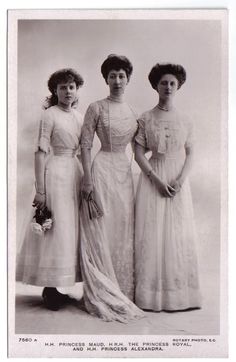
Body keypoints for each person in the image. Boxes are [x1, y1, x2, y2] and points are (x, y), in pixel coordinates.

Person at [80, 54, 144, 322]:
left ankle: (123, 288)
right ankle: (102, 288)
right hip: (102, 169)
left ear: (128, 79)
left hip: (123, 172)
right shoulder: (96, 107)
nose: (117, 80)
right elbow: (84, 144)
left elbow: (140, 147)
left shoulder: (132, 112)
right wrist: (87, 179)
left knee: (122, 226)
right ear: (105, 79)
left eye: (121, 76)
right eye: (112, 75)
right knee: (101, 226)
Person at [134, 63, 202, 312]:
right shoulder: (146, 117)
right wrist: (155, 179)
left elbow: (192, 152)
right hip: (154, 177)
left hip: (177, 179)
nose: (168, 87)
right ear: (155, 85)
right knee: (152, 231)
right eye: (163, 82)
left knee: (176, 231)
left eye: (172, 83)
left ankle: (179, 295)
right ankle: (150, 296)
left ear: (179, 86)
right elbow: (139, 153)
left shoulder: (185, 119)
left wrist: (181, 180)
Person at [16, 68, 84, 311]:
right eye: (63, 87)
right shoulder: (50, 115)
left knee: (71, 228)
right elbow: (40, 152)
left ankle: (63, 283)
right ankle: (50, 287)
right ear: (55, 91)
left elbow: (83, 149)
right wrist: (41, 190)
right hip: (55, 174)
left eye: (72, 87)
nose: (68, 91)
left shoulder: (78, 116)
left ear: (77, 91)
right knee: (57, 228)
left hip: (75, 173)